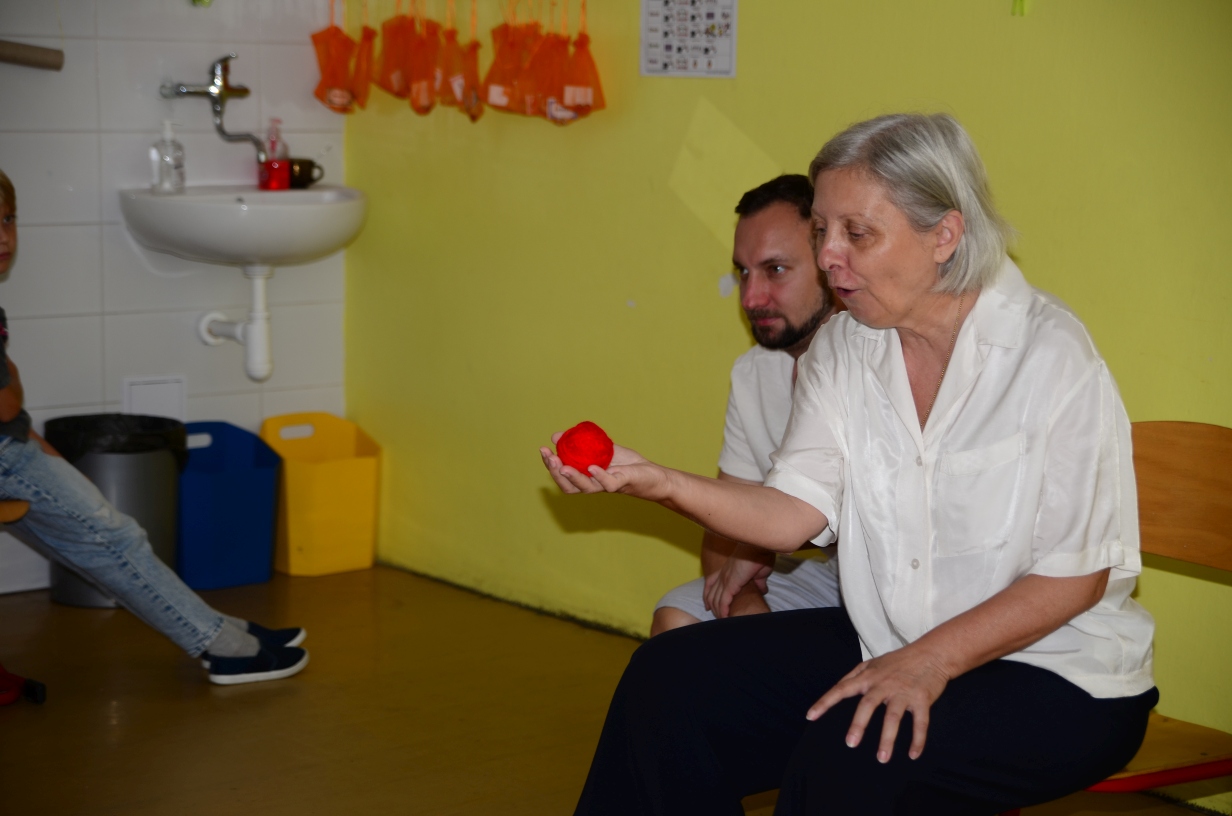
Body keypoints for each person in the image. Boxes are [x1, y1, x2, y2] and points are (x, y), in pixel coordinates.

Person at [541, 114, 1157, 814]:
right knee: (669, 680)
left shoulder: (1051, 357)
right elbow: (791, 514)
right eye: (821, 231)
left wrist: (927, 662)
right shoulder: (845, 348)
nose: (830, 256)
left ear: (944, 236)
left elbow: (1076, 576)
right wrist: (657, 482)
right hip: (890, 640)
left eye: (857, 234)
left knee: (851, 752)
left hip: (1056, 669)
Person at [0, 169, 309, 686]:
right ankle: (223, 647)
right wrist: (13, 376)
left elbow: (12, 422)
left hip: (11, 452)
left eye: (9, 220)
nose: (4, 236)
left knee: (97, 538)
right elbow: (6, 404)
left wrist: (50, 456)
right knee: (116, 539)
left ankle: (213, 626)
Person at [652, 174, 842, 636]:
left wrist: (754, 554)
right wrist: (748, 605)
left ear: (830, 261)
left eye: (775, 269)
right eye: (743, 271)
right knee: (678, 624)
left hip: (902, 586)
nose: (751, 298)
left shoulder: (875, 357)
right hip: (830, 576)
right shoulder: (754, 372)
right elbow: (723, 536)